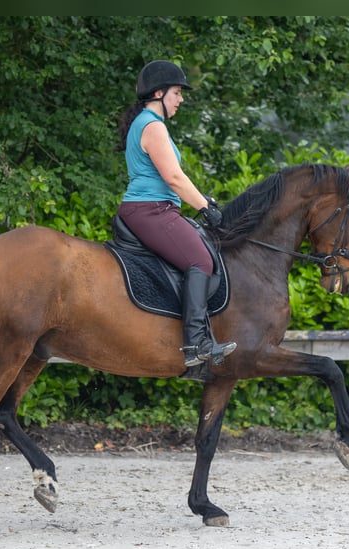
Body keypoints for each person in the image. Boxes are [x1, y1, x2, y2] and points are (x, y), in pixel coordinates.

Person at [116, 59, 237, 369]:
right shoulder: (153, 126)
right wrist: (205, 208)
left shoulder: (147, 124)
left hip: (155, 207)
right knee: (201, 261)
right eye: (177, 93)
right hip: (151, 210)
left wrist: (202, 200)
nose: (181, 99)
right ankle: (197, 343)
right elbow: (173, 178)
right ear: (159, 93)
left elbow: (175, 178)